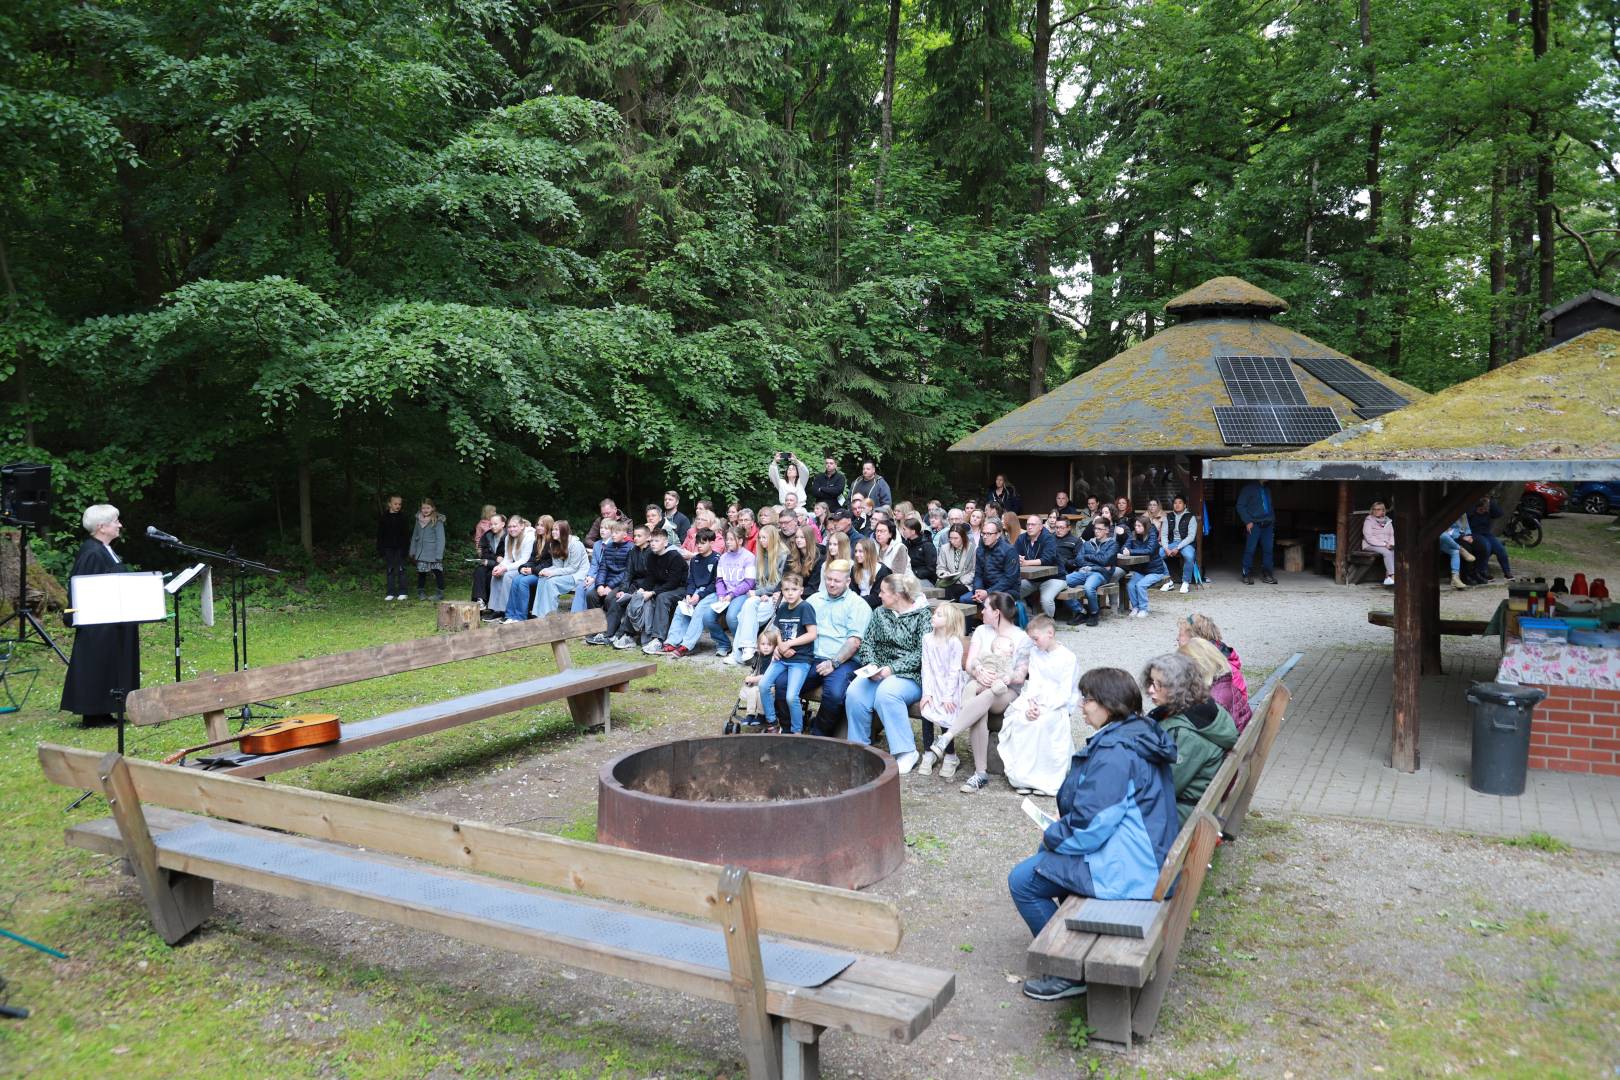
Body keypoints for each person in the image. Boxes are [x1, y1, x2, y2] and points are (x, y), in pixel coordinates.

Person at [1008, 666, 1179, 1001]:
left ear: (1109, 704)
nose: (1081, 705)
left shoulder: (1116, 752)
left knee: (1023, 880)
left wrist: (1054, 833)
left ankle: (1067, 970)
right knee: (1046, 857)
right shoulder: (1137, 732)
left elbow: (1090, 828)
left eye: (1087, 699)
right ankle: (1070, 943)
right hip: (1149, 854)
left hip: (1135, 871)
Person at [927, 592, 1031, 793]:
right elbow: (969, 664)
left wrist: (1003, 678)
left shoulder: (1021, 638)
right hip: (978, 686)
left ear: (997, 613)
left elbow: (1021, 674)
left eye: (986, 608)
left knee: (989, 695)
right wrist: (979, 671)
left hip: (1006, 692)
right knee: (980, 708)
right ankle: (980, 774)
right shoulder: (982, 631)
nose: (981, 611)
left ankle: (947, 737)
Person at [60, 505, 139, 726]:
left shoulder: (104, 549)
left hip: (112, 618)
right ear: (102, 527)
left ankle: (106, 709)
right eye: (116, 521)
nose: (120, 524)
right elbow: (81, 587)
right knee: (98, 664)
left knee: (111, 663)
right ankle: (94, 713)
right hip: (99, 623)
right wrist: (72, 614)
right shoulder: (92, 552)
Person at [843, 574, 930, 773]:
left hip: (909, 675)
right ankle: (859, 748)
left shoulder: (922, 615)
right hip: (878, 671)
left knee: (887, 693)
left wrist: (892, 669)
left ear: (897, 595)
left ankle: (906, 751)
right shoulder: (880, 613)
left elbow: (923, 652)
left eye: (883, 592)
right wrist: (872, 666)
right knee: (855, 693)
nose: (879, 595)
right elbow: (868, 644)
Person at [776, 560, 871, 735]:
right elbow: (793, 624)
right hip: (810, 657)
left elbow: (854, 642)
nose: (831, 584)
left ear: (848, 582)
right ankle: (788, 730)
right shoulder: (814, 600)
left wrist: (833, 663)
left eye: (837, 580)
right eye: (828, 579)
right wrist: (780, 646)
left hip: (843, 660)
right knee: (781, 683)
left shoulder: (858, 605)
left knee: (834, 694)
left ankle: (819, 733)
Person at [1142, 653, 1238, 824]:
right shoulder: (1203, 708)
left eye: (1159, 685)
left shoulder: (1186, 735)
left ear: (1177, 689)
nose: (1150, 690)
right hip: (1188, 805)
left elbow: (1165, 786)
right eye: (1151, 682)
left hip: (1183, 815)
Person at [997, 615, 1080, 797]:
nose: (1034, 643)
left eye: (1036, 638)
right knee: (1021, 720)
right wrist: (1031, 704)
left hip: (1056, 704)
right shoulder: (1035, 653)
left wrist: (1043, 708)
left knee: (1042, 724)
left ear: (1050, 633)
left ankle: (1044, 779)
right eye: (1032, 640)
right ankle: (1023, 778)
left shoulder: (1068, 658)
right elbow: (1034, 682)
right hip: (1035, 699)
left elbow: (1065, 692)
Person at [757, 574, 819, 734]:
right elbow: (777, 629)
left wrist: (788, 644)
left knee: (792, 696)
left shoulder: (805, 608)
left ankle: (796, 730)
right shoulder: (783, 607)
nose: (790, 593)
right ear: (782, 591)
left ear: (801, 590)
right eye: (786, 590)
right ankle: (772, 722)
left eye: (794, 589)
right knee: (764, 685)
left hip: (800, 660)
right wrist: (779, 646)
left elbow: (812, 634)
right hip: (782, 658)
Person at [916, 601, 967, 779]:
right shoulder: (927, 639)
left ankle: (951, 755)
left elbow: (954, 671)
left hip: (950, 687)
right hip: (933, 683)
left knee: (947, 713)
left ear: (949, 621)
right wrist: (927, 692)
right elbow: (926, 667)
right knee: (926, 708)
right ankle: (929, 751)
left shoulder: (954, 643)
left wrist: (947, 696)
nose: (933, 616)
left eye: (938, 615)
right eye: (934, 613)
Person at [509, 519, 587, 621]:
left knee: (551, 583)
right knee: (542, 578)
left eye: (556, 530)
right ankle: (538, 615)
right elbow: (557, 565)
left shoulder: (575, 544)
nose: (553, 532)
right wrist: (545, 570)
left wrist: (552, 572)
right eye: (553, 529)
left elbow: (573, 568)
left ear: (564, 532)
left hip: (577, 575)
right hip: (564, 573)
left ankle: (550, 617)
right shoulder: (554, 544)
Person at [732, 525, 787, 665]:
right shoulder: (760, 555)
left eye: (765, 538)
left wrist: (760, 593)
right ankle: (748, 648)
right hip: (762, 596)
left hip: (776, 597)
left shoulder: (783, 555)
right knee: (748, 606)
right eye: (760, 537)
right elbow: (758, 581)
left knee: (744, 616)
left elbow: (778, 582)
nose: (761, 541)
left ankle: (738, 654)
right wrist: (760, 594)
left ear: (773, 538)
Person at [661, 527, 721, 658]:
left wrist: (699, 595)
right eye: (697, 543)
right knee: (680, 607)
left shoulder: (717, 559)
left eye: (703, 543)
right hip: (695, 593)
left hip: (712, 593)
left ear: (711, 543)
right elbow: (691, 580)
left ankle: (687, 645)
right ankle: (672, 641)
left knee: (699, 610)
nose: (699, 546)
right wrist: (689, 594)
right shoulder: (695, 560)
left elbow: (715, 584)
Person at [627, 528, 687, 651]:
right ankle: (627, 634)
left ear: (665, 543)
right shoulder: (651, 557)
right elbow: (651, 578)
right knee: (637, 595)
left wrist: (653, 592)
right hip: (663, 587)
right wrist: (642, 589)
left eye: (657, 541)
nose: (653, 543)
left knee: (661, 597)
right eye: (652, 541)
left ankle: (658, 639)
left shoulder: (675, 557)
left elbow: (673, 583)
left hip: (681, 588)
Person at [702, 526, 757, 657]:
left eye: (732, 539)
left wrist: (732, 595)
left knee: (731, 617)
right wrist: (721, 594)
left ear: (740, 540)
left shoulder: (749, 557)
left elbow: (749, 582)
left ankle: (742, 645)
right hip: (724, 594)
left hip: (741, 593)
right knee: (707, 618)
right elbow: (719, 579)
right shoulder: (723, 557)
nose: (728, 542)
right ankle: (724, 644)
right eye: (727, 539)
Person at [1179, 635, 1252, 732]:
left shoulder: (1214, 700)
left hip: (1235, 744)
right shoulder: (1224, 682)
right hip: (1243, 739)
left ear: (1199, 666)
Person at [599, 525, 653, 647]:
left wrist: (642, 589)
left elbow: (652, 575)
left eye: (639, 536)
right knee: (616, 600)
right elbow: (628, 573)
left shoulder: (652, 553)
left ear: (648, 538)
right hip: (634, 584)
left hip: (648, 586)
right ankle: (609, 634)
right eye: (635, 536)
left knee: (634, 601)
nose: (636, 538)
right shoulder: (633, 551)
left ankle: (622, 635)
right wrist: (623, 590)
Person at [1176, 613, 1250, 702]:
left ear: (1196, 640)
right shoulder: (1202, 662)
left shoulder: (1225, 672)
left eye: (1180, 635)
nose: (1177, 638)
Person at [1063, 518, 1118, 626]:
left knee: (1089, 588)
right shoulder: (1088, 543)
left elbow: (1105, 560)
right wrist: (1097, 564)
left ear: (1107, 530)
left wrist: (1088, 558)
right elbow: (1079, 560)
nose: (1096, 531)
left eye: (1099, 529)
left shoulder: (1113, 545)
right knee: (1061, 583)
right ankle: (1081, 612)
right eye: (1095, 529)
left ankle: (1094, 613)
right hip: (1084, 572)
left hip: (1100, 575)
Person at [729, 627, 781, 732]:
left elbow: (768, 676)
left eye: (769, 645)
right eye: (763, 644)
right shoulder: (759, 656)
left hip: (771, 686)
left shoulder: (774, 659)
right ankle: (750, 714)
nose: (766, 647)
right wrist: (750, 678)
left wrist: (753, 679)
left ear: (775, 646)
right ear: (759, 645)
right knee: (753, 690)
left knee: (761, 691)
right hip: (758, 684)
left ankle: (761, 716)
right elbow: (754, 670)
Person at [583, 518, 633, 623]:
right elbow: (603, 568)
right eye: (612, 532)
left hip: (621, 583)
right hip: (606, 582)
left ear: (625, 535)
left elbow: (627, 572)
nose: (613, 535)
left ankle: (610, 626)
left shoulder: (630, 548)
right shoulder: (608, 547)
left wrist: (610, 586)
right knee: (591, 595)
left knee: (609, 598)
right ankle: (596, 627)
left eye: (616, 532)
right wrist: (600, 585)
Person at [1122, 517, 1169, 618]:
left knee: (1140, 585)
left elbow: (1149, 550)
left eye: (1139, 526)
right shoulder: (1133, 534)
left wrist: (1131, 552)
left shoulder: (1152, 535)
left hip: (1155, 570)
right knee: (1130, 585)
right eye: (1135, 525)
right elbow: (1124, 547)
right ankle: (1135, 607)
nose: (1136, 528)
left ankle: (1144, 609)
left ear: (1145, 526)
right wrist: (1125, 550)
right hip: (1141, 570)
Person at [1036, 516, 1081, 619]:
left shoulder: (1076, 541)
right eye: (1057, 527)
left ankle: (1079, 611)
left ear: (1068, 528)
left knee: (1060, 583)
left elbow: (1078, 561)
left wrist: (1064, 562)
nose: (1059, 530)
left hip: (1067, 571)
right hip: (1048, 571)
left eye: (1062, 527)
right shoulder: (1049, 539)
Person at [1235, 480, 1277, 585]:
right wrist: (1248, 521)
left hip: (1268, 524)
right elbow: (1240, 505)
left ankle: (1267, 573)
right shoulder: (1248, 488)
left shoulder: (1267, 489)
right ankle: (1246, 574)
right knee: (1250, 549)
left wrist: (1272, 520)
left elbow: (1269, 506)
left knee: (1268, 549)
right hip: (1254, 524)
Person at [489, 515, 534, 615]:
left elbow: (524, 560)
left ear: (522, 526)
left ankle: (505, 609)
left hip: (527, 567)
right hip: (516, 566)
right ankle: (495, 609)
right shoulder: (508, 537)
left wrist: (505, 568)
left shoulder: (529, 537)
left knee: (507, 576)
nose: (511, 529)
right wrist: (499, 566)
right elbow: (508, 558)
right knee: (496, 575)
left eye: (514, 526)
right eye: (509, 527)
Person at [971, 517, 1021, 605]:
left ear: (998, 534)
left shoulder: (1009, 550)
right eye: (983, 533)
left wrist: (988, 592)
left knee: (987, 603)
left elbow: (1009, 579)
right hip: (986, 588)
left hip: (1006, 590)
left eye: (989, 534)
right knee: (963, 599)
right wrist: (978, 590)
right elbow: (978, 574)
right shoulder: (980, 549)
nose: (985, 537)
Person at [1465, 496, 1511, 583]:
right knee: (1486, 546)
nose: (1485, 510)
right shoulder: (1471, 510)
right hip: (1474, 533)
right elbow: (1466, 516)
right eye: (1483, 509)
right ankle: (1483, 571)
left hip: (1487, 534)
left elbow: (1499, 513)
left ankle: (1507, 572)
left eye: (1487, 508)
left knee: (1500, 549)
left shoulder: (1489, 510)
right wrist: (1476, 506)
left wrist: (1490, 502)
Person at [1014, 514, 1057, 603]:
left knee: (1046, 601)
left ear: (1041, 527)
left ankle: (1048, 617)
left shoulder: (1048, 538)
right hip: (1031, 580)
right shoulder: (1022, 538)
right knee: (1012, 593)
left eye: (1033, 525)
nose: (1029, 527)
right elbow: (1013, 554)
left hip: (1051, 578)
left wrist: (1026, 563)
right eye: (1028, 524)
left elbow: (1047, 559)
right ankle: (1027, 615)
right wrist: (1018, 558)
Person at [409, 499, 447, 601]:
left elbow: (441, 539)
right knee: (421, 573)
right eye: (423, 508)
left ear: (433, 508)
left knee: (437, 571)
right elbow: (414, 535)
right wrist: (412, 550)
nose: (425, 510)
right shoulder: (418, 519)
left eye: (428, 508)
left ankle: (440, 593)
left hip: (434, 552)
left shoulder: (437, 520)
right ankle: (420, 592)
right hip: (421, 552)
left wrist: (439, 554)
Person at [377, 494, 411, 600]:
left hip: (400, 548)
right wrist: (380, 548)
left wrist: (406, 548)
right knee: (390, 569)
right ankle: (390, 592)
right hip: (388, 548)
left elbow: (406, 535)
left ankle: (403, 592)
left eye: (400, 504)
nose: (398, 506)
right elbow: (380, 534)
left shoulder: (403, 517)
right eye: (395, 504)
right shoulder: (384, 518)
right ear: (389, 504)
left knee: (401, 569)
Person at [1162, 495, 1199, 593]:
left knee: (1190, 556)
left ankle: (1185, 582)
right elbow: (1164, 535)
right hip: (1171, 543)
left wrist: (1178, 547)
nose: (1177, 505)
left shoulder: (1191, 517)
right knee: (1156, 555)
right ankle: (1167, 581)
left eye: (1180, 502)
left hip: (1186, 543)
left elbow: (1191, 537)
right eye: (1175, 503)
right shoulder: (1168, 516)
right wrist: (1166, 548)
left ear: (1185, 505)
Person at [473, 512, 506, 615]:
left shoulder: (508, 537)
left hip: (504, 565)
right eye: (491, 524)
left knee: (489, 575)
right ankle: (480, 600)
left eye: (495, 524)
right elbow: (484, 554)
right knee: (479, 570)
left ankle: (491, 605)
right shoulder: (487, 535)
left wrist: (494, 561)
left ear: (503, 524)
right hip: (489, 562)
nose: (492, 526)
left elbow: (507, 557)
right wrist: (496, 558)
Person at [935, 523, 976, 602]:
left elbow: (974, 570)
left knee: (952, 592)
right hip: (948, 582)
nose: (952, 541)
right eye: (950, 538)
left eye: (956, 538)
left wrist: (961, 580)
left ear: (963, 538)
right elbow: (940, 567)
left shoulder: (972, 549)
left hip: (964, 583)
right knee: (942, 592)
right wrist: (945, 574)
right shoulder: (945, 548)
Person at [1438, 514, 1477, 590]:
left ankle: (1455, 579)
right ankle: (1461, 549)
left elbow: (1466, 527)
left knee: (1455, 552)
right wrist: (1461, 537)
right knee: (1443, 535)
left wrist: (1468, 535)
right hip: (1438, 539)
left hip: (1445, 541)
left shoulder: (1463, 514)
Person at [851, 536, 891, 608]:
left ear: (869, 552)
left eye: (860, 551)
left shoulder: (882, 571)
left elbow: (877, 597)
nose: (857, 554)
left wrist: (857, 601)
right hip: (857, 605)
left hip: (876, 607)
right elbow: (852, 591)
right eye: (856, 551)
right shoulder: (854, 569)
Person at [1362, 500, 1395, 586]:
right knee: (1387, 552)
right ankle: (1392, 576)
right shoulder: (1369, 520)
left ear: (1383, 511)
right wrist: (1384, 544)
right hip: (1370, 545)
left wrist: (1391, 544)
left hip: (1386, 545)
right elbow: (1369, 538)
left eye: (1379, 509)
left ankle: (1387, 578)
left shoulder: (1388, 521)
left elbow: (1391, 535)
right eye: (1374, 509)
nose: (1376, 511)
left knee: (1393, 551)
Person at [785, 526, 824, 595]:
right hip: (790, 593)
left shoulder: (819, 559)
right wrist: (778, 592)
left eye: (802, 537)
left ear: (809, 538)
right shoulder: (791, 556)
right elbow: (785, 578)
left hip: (808, 596)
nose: (798, 540)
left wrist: (794, 593)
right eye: (796, 537)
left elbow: (813, 587)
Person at [900, 516, 936, 584]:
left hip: (926, 579)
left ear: (913, 532)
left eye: (904, 529)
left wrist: (915, 573)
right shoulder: (906, 544)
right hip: (908, 576)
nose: (903, 531)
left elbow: (931, 569)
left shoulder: (927, 545)